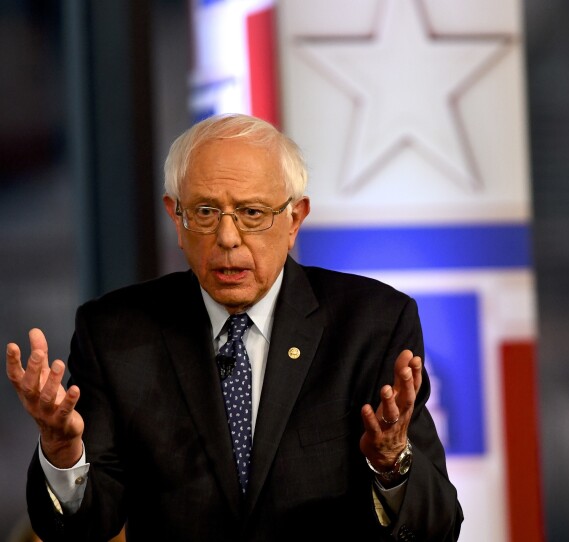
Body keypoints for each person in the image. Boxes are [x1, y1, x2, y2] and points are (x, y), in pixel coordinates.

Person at [6, 114, 463, 541]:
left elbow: (437, 527)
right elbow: (83, 526)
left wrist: (391, 464)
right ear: (176, 219)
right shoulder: (116, 333)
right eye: (205, 212)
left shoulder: (372, 323)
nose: (227, 238)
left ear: (294, 219)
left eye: (252, 213)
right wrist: (63, 454)